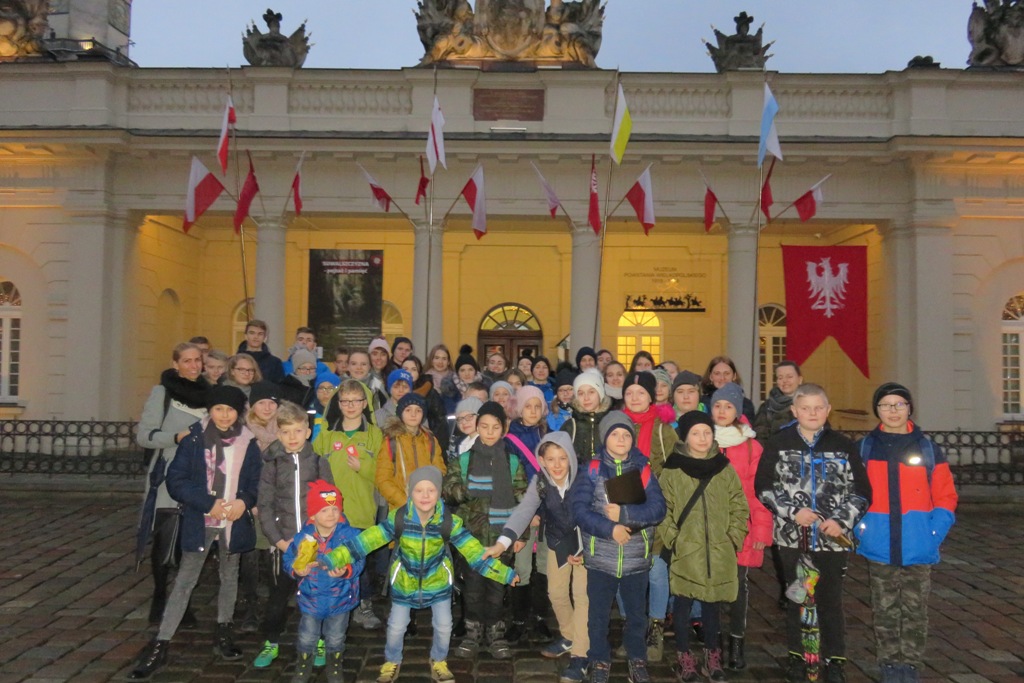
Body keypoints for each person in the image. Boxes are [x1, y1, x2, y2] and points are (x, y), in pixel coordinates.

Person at [323, 466, 518, 683]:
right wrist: (334, 558)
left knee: (444, 626)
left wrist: (505, 574)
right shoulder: (399, 519)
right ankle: (392, 660)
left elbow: (475, 552)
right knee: (396, 626)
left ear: (440, 493)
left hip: (438, 583)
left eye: (431, 490)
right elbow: (366, 541)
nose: (425, 496)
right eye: (419, 490)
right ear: (410, 493)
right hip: (405, 582)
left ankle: (439, 660)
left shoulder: (448, 523)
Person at [128, 385, 262, 680]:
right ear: (210, 411)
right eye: (218, 409)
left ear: (238, 412)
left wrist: (244, 501)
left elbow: (255, 481)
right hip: (200, 521)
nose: (224, 415)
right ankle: (161, 643)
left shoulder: (248, 442)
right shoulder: (194, 439)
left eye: (229, 410)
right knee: (185, 581)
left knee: (229, 577)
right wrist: (207, 503)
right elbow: (177, 481)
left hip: (232, 522)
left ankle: (223, 630)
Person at [754, 383, 871, 683]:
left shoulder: (843, 445)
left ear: (828, 410)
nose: (812, 413)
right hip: (792, 537)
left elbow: (861, 491)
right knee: (797, 597)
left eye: (818, 407)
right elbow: (764, 488)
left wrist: (842, 520)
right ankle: (799, 657)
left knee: (830, 600)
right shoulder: (779, 443)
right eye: (805, 408)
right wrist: (793, 512)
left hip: (831, 539)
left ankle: (835, 660)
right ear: (794, 411)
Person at [854, 383, 958, 683]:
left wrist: (934, 531)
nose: (893, 410)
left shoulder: (926, 447)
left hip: (917, 543)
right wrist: (860, 528)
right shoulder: (866, 447)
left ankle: (910, 665)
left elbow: (945, 495)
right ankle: (889, 664)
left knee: (914, 609)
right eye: (886, 405)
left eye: (899, 404)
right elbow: (854, 491)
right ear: (878, 410)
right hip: (879, 542)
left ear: (909, 408)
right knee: (884, 609)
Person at [570, 411, 667, 683]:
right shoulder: (591, 470)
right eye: (615, 434)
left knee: (637, 615)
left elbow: (658, 509)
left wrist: (625, 517)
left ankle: (637, 658)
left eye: (626, 434)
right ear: (605, 438)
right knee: (598, 616)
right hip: (601, 558)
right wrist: (610, 528)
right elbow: (579, 510)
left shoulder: (644, 469)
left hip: (636, 559)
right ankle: (599, 658)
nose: (621, 439)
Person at [486, 432, 590, 682]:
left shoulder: (585, 480)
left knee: (582, 596)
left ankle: (581, 655)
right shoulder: (541, 482)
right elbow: (523, 512)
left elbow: (595, 516)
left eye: (563, 459)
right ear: (541, 460)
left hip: (587, 544)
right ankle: (568, 635)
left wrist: (584, 548)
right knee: (556, 592)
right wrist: (502, 544)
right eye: (551, 459)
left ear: (571, 459)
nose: (557, 465)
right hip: (557, 542)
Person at [659, 410, 748, 683]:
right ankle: (684, 656)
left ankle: (712, 655)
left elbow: (738, 503)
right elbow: (664, 509)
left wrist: (733, 536)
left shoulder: (724, 467)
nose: (702, 438)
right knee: (683, 606)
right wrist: (675, 540)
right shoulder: (672, 470)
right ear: (685, 437)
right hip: (687, 550)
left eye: (707, 433)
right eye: (695, 433)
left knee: (713, 607)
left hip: (719, 550)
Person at [252, 401, 335, 670]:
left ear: (307, 431)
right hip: (285, 542)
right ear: (278, 434)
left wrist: (321, 537)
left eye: (297, 431)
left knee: (317, 594)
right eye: (286, 432)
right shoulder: (272, 465)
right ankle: (272, 641)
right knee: (279, 595)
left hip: (314, 541)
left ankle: (319, 640)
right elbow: (265, 505)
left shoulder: (319, 462)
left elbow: (329, 502)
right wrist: (279, 540)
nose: (292, 437)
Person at [442, 401, 527, 660]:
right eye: (484, 426)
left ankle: (495, 633)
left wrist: (521, 536)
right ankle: (472, 633)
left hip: (501, 538)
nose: (489, 432)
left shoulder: (512, 462)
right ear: (477, 427)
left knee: (497, 589)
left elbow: (523, 501)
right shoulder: (464, 460)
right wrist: (468, 489)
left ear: (503, 429)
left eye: (495, 427)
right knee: (474, 589)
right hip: (472, 538)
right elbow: (449, 490)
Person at [136, 342, 210, 626]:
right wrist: (175, 437)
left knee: (188, 542)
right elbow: (144, 435)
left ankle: (183, 602)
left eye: (197, 361)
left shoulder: (209, 393)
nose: (193, 366)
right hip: (168, 474)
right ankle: (159, 596)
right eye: (187, 361)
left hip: (199, 477)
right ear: (176, 363)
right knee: (165, 538)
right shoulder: (163, 392)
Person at [709, 383, 774, 671]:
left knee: (737, 587)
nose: (722, 411)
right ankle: (712, 643)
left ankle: (736, 641)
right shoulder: (702, 439)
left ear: (737, 411)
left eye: (728, 406)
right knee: (710, 586)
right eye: (718, 406)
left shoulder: (751, 446)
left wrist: (761, 529)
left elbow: (759, 492)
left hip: (740, 527)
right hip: (708, 527)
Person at [315, 378, 385, 631]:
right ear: (338, 403)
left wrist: (364, 466)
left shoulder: (375, 435)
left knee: (360, 562)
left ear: (365, 403)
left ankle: (363, 605)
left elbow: (385, 472)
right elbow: (314, 467)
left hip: (362, 510)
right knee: (332, 559)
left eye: (356, 401)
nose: (351, 406)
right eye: (345, 401)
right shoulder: (327, 435)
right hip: (330, 513)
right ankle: (334, 602)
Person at [620, 371, 678, 662]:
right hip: (622, 508)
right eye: (630, 392)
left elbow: (675, 466)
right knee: (623, 570)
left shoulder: (662, 427)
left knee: (655, 571)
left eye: (641, 393)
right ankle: (633, 626)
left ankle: (655, 628)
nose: (635, 397)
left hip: (655, 507)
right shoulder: (617, 423)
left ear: (651, 395)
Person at [284, 480, 363, 682]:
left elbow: (360, 559)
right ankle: (303, 665)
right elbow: (288, 559)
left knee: (336, 637)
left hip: (341, 599)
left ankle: (334, 664)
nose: (331, 514)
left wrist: (347, 570)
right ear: (312, 514)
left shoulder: (349, 536)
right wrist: (296, 568)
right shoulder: (303, 538)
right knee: (307, 636)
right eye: (324, 510)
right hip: (311, 599)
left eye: (335, 509)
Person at [505, 385, 555, 645]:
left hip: (549, 512)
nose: (533, 411)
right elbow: (512, 479)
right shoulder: (511, 439)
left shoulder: (549, 434)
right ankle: (519, 618)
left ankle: (540, 616)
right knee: (522, 566)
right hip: (524, 513)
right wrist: (528, 511)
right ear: (519, 409)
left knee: (545, 566)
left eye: (538, 406)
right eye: (528, 406)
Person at [376, 392, 447, 511]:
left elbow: (439, 471)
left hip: (428, 506)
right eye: (408, 410)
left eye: (418, 410)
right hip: (400, 508)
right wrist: (404, 502)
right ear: (401, 413)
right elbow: (383, 479)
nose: (413, 414)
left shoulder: (430, 440)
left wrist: (428, 499)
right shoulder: (391, 441)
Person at [560, 369, 612, 466]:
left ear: (600, 394)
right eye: (581, 393)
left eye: (591, 392)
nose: (586, 398)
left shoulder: (611, 421)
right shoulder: (570, 426)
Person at [403, 354, 451, 453]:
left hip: (426, 445)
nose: (409, 372)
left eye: (413, 369)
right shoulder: (395, 392)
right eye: (405, 369)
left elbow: (440, 423)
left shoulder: (431, 393)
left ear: (419, 372)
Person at [753, 361, 803, 442]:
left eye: (789, 377)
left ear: (800, 380)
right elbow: (759, 435)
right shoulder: (767, 406)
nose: (785, 381)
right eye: (780, 377)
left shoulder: (810, 404)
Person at [700, 356, 755, 424]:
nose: (722, 378)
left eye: (727, 373)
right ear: (711, 377)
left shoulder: (745, 404)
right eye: (717, 373)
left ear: (734, 376)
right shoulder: (702, 403)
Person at [440, 345, 486, 414]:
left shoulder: (486, 386)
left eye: (470, 369)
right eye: (462, 370)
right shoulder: (449, 390)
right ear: (457, 373)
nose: (467, 373)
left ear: (475, 371)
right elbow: (449, 412)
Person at [238, 319, 285, 384]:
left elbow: (279, 388)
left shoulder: (275, 363)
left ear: (265, 338)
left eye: (260, 334)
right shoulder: (233, 361)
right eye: (252, 333)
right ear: (246, 336)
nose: (256, 337)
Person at [448, 396, 482, 463]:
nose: (464, 422)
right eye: (460, 419)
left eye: (469, 417)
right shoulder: (458, 443)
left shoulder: (485, 444)